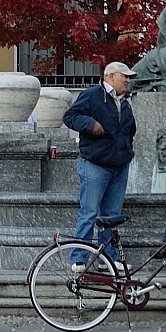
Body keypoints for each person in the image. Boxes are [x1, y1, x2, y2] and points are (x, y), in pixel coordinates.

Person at [60, 63, 137, 265]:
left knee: (111, 216)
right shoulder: (93, 95)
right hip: (95, 164)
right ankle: (78, 260)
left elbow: (129, 129)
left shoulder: (124, 101)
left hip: (119, 164)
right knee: (89, 213)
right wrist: (90, 124)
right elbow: (69, 117)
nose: (128, 80)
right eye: (125, 76)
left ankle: (108, 261)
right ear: (110, 76)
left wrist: (127, 151)